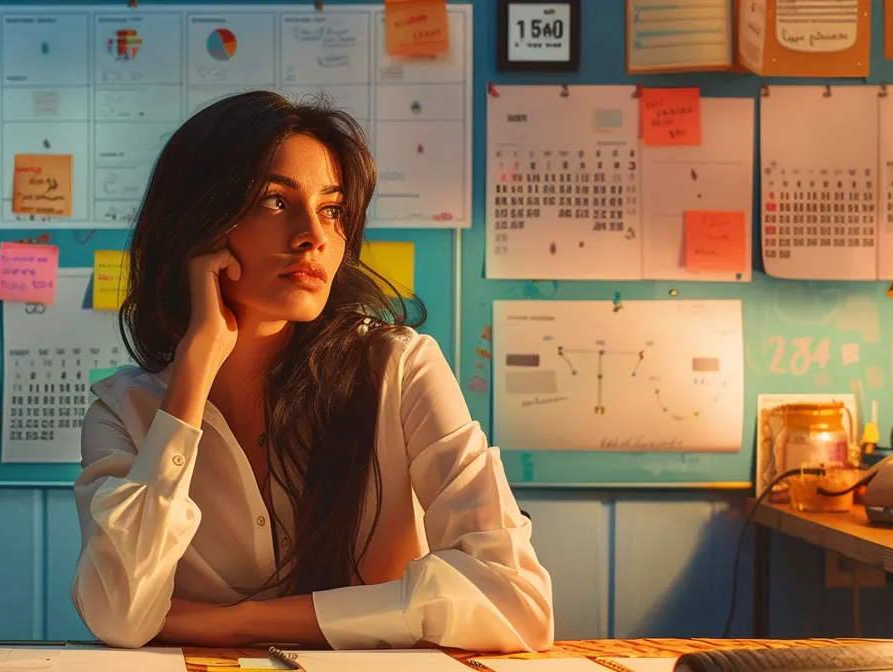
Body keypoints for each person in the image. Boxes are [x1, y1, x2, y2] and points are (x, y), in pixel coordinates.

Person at [72, 91, 553, 652]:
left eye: (331, 209)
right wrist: (191, 377)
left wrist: (230, 623)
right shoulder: (124, 412)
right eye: (275, 202)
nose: (315, 236)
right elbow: (119, 617)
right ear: (196, 224)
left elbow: (519, 602)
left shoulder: (399, 368)